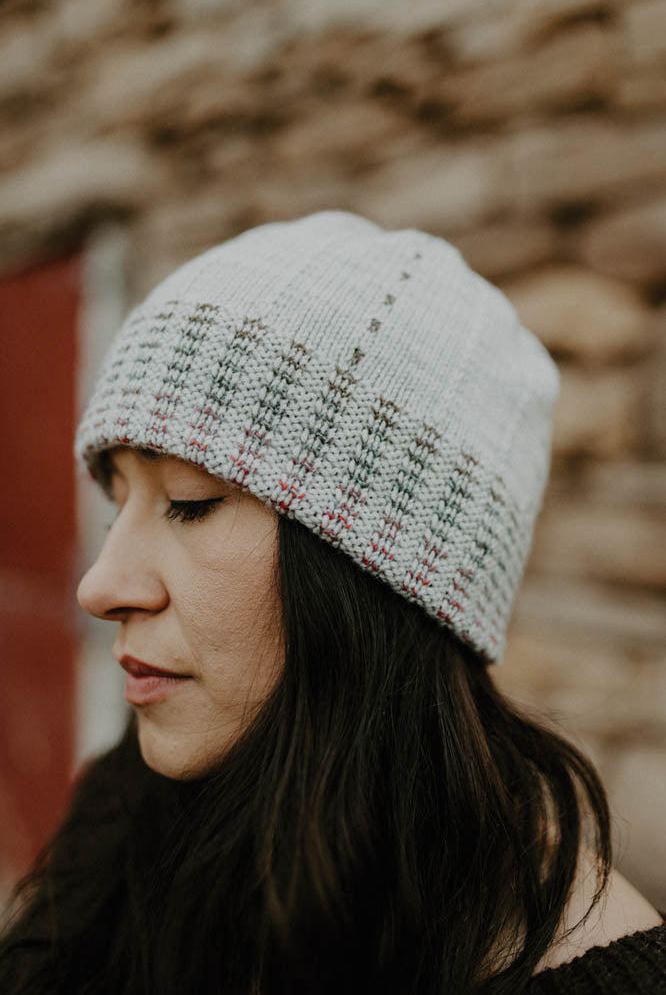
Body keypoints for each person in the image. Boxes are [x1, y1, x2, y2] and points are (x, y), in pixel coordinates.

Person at [1, 210, 664, 994]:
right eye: (119, 504)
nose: (99, 586)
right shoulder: (129, 807)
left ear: (378, 575)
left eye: (189, 501)